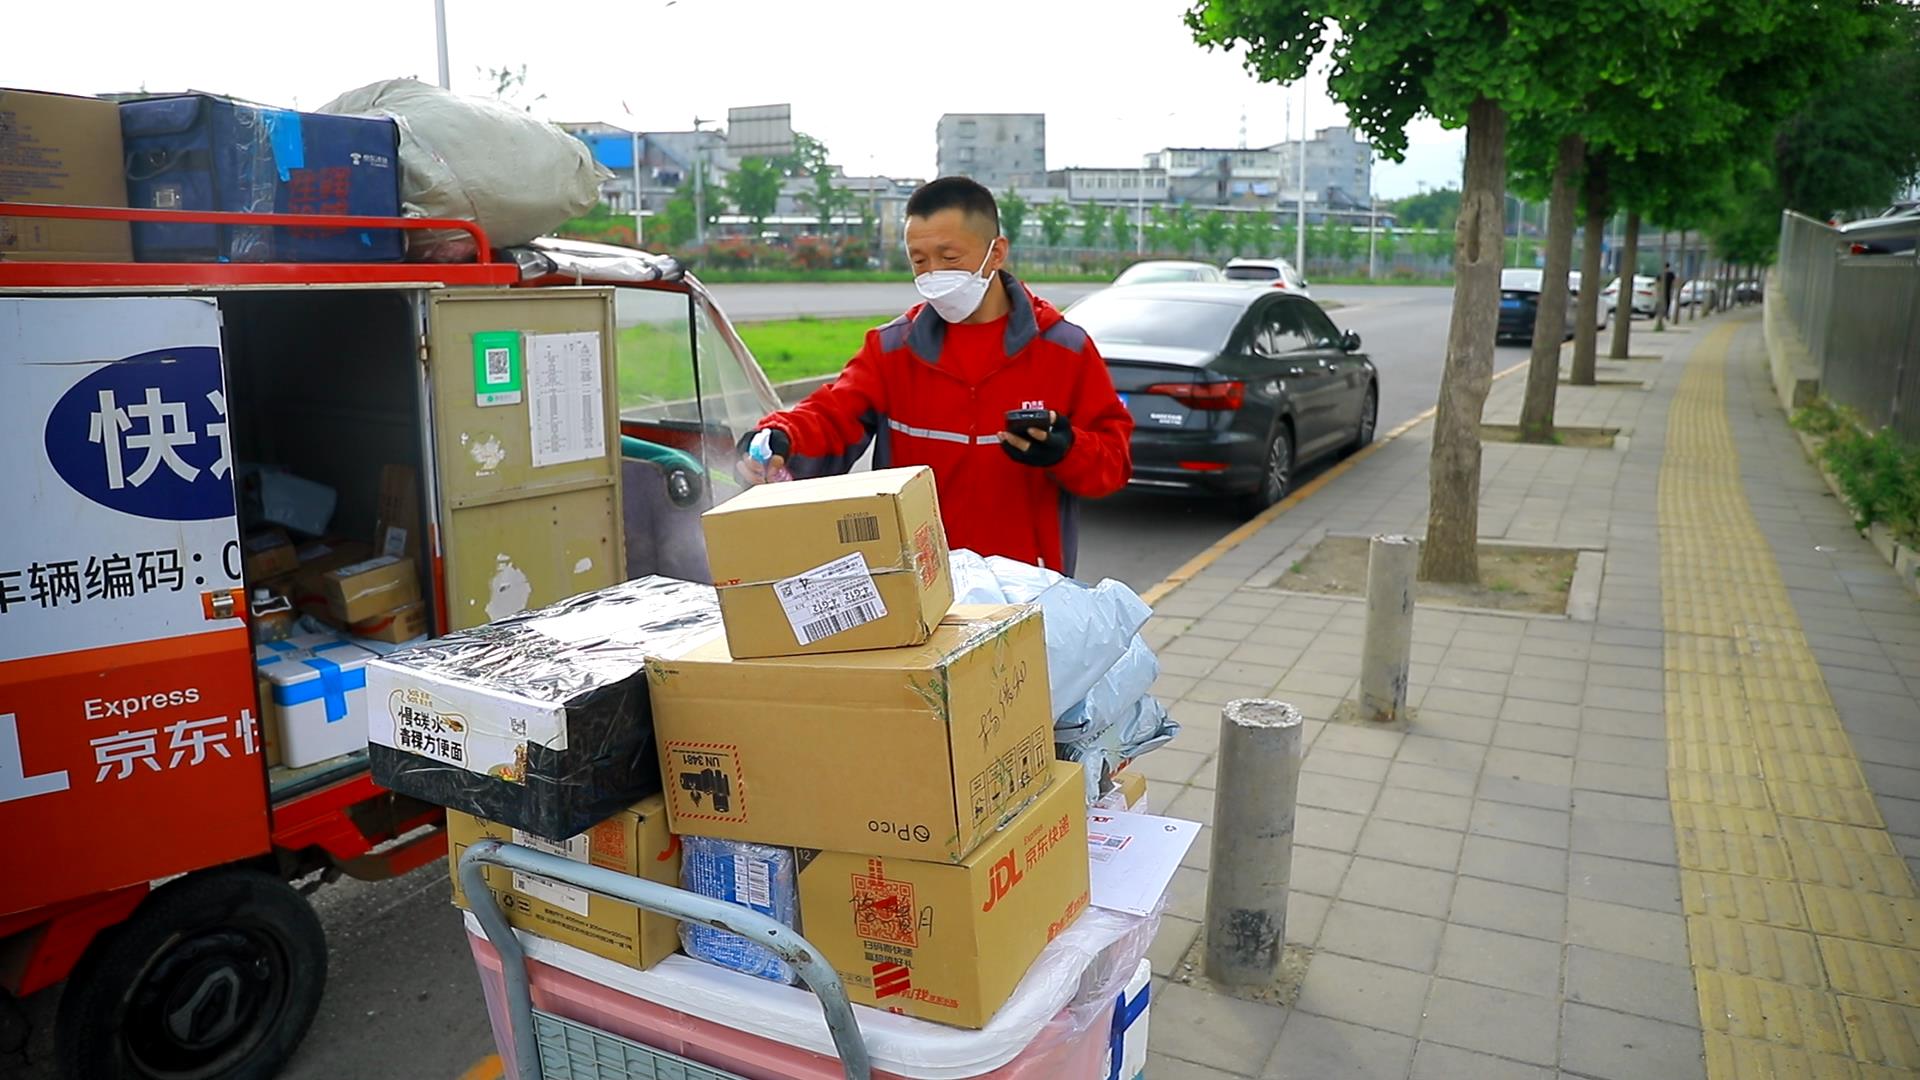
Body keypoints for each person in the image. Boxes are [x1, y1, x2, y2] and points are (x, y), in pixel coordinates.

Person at [737, 177, 1132, 574]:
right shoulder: (893, 350)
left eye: (949, 257)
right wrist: (780, 437)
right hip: (918, 584)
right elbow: (831, 415)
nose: (933, 274)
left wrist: (1068, 449)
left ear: (996, 253)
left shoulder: (1064, 351)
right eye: (919, 261)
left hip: (1027, 587)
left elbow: (1113, 463)